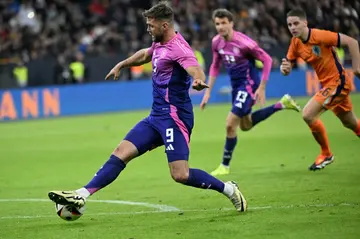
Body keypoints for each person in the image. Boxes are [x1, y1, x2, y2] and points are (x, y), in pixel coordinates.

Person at [48, 2, 247, 213]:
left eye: (151, 26)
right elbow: (145, 54)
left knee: (180, 174)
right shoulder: (159, 43)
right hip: (156, 117)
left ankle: (228, 189)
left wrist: (198, 80)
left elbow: (196, 69)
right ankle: (82, 194)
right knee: (121, 152)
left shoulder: (179, 48)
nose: (148, 29)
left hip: (175, 118)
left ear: (164, 25)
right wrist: (122, 64)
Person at [200, 9, 301, 176]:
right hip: (236, 86)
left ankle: (224, 166)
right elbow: (215, 66)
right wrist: (208, 92)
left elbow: (267, 59)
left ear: (231, 23)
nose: (220, 27)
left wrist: (261, 87)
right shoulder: (216, 42)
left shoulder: (245, 43)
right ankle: (281, 104)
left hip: (248, 85)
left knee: (230, 123)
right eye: (217, 23)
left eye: (224, 22)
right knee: (245, 125)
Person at [281, 9, 360, 171]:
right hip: (328, 85)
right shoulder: (295, 42)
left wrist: (357, 68)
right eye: (289, 25)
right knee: (350, 123)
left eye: (296, 23)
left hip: (338, 83)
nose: (292, 27)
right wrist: (285, 69)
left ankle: (326, 153)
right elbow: (287, 66)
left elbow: (352, 42)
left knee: (308, 114)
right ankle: (326, 153)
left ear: (305, 23)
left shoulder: (320, 36)